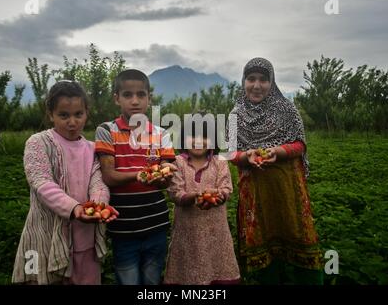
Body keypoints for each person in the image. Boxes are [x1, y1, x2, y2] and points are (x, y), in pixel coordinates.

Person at [227, 57, 323, 285]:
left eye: (263, 79)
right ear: (244, 81)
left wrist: (278, 151)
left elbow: (300, 144)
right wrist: (247, 156)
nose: (257, 85)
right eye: (251, 79)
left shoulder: (287, 110)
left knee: (296, 235)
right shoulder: (234, 115)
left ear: (272, 82)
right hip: (255, 192)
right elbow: (231, 153)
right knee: (262, 244)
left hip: (287, 190)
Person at [12, 80, 118, 285]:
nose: (72, 122)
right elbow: (41, 182)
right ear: (50, 114)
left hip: (84, 240)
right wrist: (75, 208)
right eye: (63, 115)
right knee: (42, 278)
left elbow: (99, 182)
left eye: (78, 114)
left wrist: (97, 206)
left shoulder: (92, 148)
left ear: (87, 113)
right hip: (46, 236)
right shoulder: (38, 143)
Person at [95, 69, 176, 285]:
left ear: (149, 99)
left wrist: (165, 175)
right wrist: (140, 175)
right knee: (128, 279)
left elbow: (167, 173)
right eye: (128, 95)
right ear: (116, 98)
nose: (135, 101)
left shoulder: (161, 133)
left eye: (141, 95)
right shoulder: (106, 131)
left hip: (156, 223)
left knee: (152, 279)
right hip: (123, 226)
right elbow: (109, 176)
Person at [164, 122, 240, 285]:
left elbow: (226, 187)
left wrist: (218, 196)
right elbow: (176, 193)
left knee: (218, 267)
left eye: (204, 136)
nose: (199, 141)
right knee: (188, 270)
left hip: (216, 230)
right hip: (187, 231)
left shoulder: (220, 161)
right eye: (193, 136)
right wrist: (195, 196)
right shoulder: (177, 163)